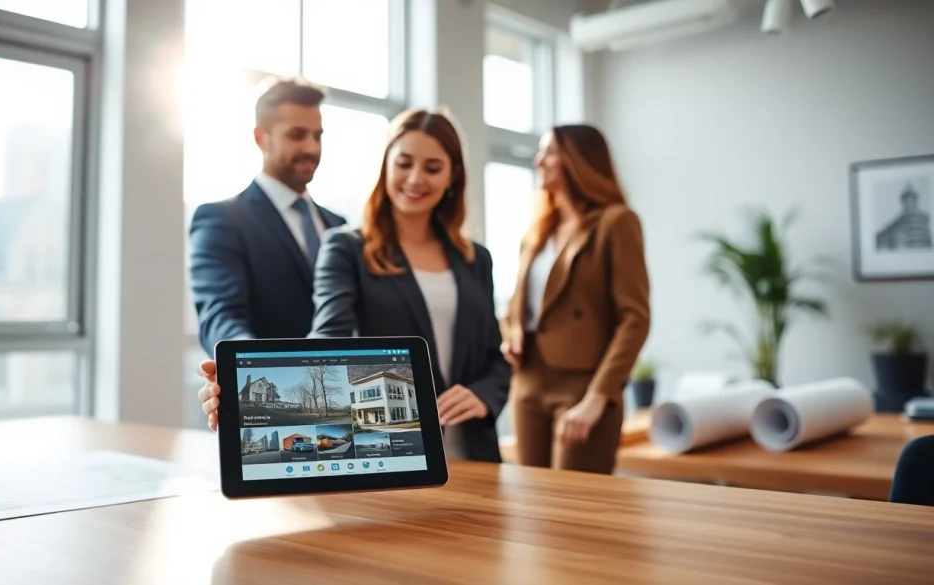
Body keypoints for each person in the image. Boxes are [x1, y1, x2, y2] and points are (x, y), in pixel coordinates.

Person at [199, 109, 510, 463]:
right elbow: (327, 342)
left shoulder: (476, 259)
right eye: (404, 164)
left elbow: (494, 358)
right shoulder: (346, 248)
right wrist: (244, 385)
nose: (415, 179)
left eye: (432, 168)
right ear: (386, 166)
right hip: (395, 452)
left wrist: (483, 395)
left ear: (453, 176)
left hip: (474, 451)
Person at [500, 124, 650, 474]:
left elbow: (635, 318)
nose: (539, 161)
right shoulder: (536, 233)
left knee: (575, 508)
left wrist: (598, 398)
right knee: (534, 502)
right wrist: (511, 333)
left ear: (579, 160)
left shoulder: (616, 223)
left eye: (549, 152)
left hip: (584, 386)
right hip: (528, 382)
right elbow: (516, 306)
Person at [188, 76, 346, 357]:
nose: (312, 148)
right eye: (297, 135)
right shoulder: (221, 220)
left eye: (317, 135)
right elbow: (219, 315)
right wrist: (249, 361)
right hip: (271, 390)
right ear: (261, 138)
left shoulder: (338, 226)